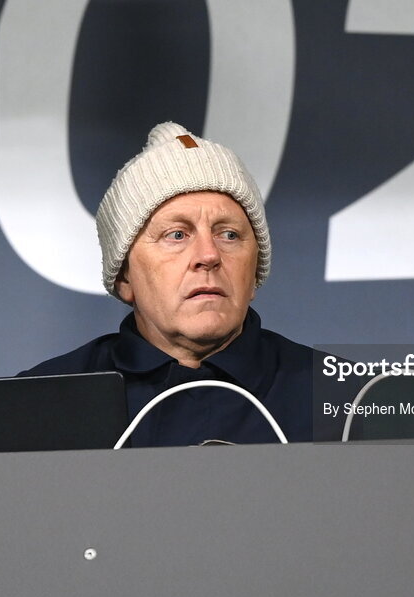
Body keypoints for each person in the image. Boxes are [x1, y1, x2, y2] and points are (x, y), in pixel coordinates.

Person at [21, 122, 318, 445]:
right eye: (176, 235)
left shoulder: (349, 399)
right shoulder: (40, 401)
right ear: (124, 277)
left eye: (228, 234)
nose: (208, 255)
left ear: (255, 272)